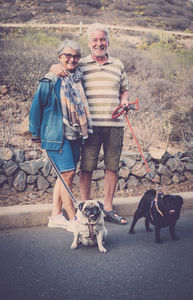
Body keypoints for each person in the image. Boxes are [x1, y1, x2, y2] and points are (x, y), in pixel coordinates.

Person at [49, 23, 130, 225]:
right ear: (89, 43)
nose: (99, 43)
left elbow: (124, 89)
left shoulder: (118, 64)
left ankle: (108, 208)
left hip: (115, 125)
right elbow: (60, 68)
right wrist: (53, 67)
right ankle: (86, 207)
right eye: (95, 40)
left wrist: (125, 100)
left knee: (112, 167)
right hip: (89, 127)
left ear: (108, 42)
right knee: (87, 167)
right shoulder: (80, 63)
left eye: (102, 39)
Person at [29, 39, 92, 231]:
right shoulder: (51, 79)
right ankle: (74, 220)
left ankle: (56, 215)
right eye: (68, 55)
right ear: (59, 57)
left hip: (74, 135)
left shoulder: (78, 79)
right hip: (56, 135)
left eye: (76, 56)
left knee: (64, 176)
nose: (72, 59)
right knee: (68, 173)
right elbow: (37, 105)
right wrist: (35, 133)